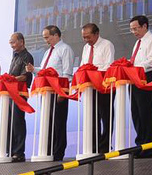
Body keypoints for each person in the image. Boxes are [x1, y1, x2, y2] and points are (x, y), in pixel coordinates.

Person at [26, 25, 74, 160]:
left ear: (56, 35)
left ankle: (58, 152)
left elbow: (67, 73)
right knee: (48, 121)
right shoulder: (48, 52)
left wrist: (62, 92)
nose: (46, 40)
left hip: (58, 91)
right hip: (46, 92)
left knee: (59, 122)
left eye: (47, 37)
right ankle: (48, 151)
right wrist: (33, 69)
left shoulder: (65, 49)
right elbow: (44, 70)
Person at [128, 15, 152, 158]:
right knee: (135, 111)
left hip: (145, 76)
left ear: (144, 26)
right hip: (134, 77)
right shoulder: (138, 42)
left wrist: (135, 68)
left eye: (136, 28)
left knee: (145, 111)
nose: (133, 32)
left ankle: (148, 147)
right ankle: (139, 144)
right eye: (131, 29)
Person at [79, 23, 114, 153]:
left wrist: (93, 72)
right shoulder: (86, 48)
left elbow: (108, 66)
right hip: (89, 87)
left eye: (88, 37)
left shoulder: (107, 45)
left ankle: (105, 145)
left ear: (96, 34)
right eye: (84, 37)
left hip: (103, 85)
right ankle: (93, 145)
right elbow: (83, 64)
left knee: (106, 116)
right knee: (92, 115)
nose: (86, 40)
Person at [6, 33, 34, 161]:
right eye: (10, 43)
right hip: (11, 93)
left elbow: (24, 76)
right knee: (10, 122)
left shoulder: (27, 56)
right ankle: (11, 150)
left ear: (21, 42)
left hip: (20, 93)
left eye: (13, 42)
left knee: (18, 121)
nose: (11, 45)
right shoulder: (15, 56)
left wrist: (9, 79)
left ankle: (19, 152)